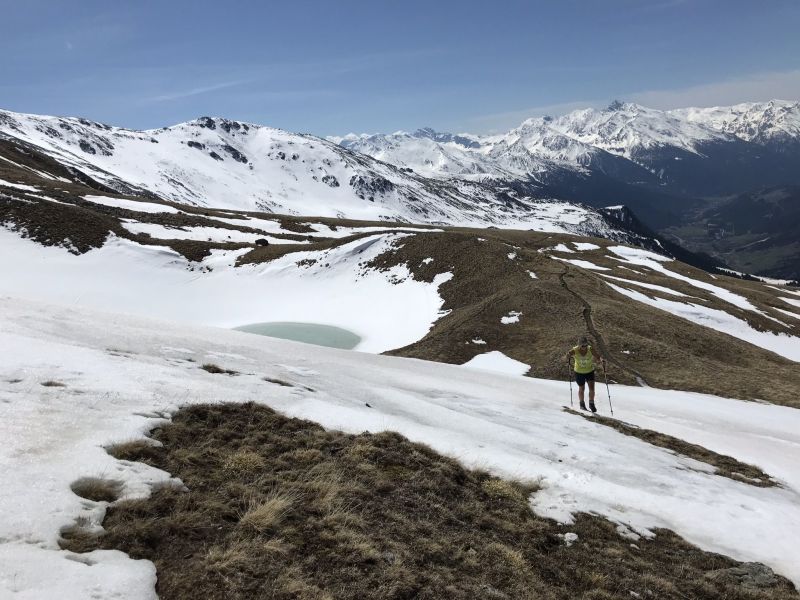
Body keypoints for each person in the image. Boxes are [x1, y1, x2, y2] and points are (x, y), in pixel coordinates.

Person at [567, 336, 606, 412]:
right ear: (579, 345)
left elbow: (598, 356)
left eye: (585, 345)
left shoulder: (590, 349)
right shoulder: (575, 350)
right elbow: (567, 354)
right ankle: (582, 404)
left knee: (592, 388)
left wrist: (601, 360)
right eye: (582, 345)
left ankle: (591, 404)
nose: (584, 347)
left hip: (589, 371)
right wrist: (567, 356)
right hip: (579, 372)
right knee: (582, 388)